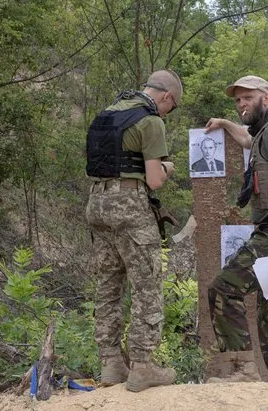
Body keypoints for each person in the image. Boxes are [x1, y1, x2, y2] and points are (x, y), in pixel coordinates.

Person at [205, 75, 268, 382]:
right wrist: (225, 123)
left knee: (223, 289)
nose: (241, 104)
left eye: (247, 98)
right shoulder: (266, 132)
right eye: (238, 100)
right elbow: (247, 140)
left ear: (266, 98)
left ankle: (241, 369)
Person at [85, 70, 182, 392]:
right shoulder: (151, 121)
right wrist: (167, 168)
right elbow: (154, 180)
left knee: (108, 285)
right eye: (173, 106)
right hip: (128, 204)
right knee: (147, 283)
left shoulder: (106, 114)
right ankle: (142, 365)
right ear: (166, 96)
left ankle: (111, 364)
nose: (169, 111)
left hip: (96, 202)